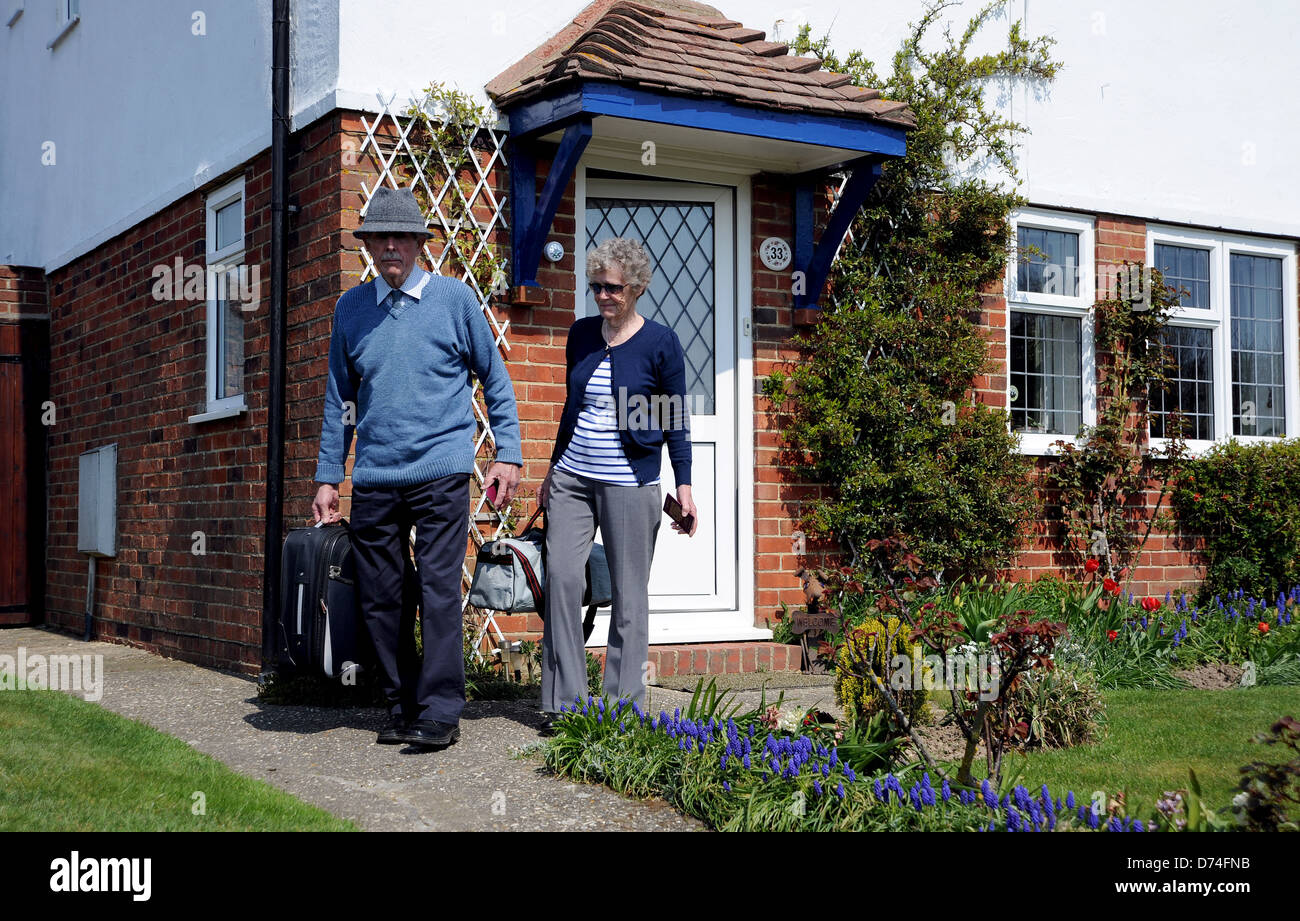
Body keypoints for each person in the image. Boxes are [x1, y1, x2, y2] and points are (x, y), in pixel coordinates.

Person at [312, 186, 522, 749]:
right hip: (376, 477)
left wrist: (508, 454)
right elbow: (340, 400)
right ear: (368, 246)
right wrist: (329, 476)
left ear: (419, 243)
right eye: (380, 237)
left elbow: (495, 379)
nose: (390, 248)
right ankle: (403, 705)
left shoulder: (454, 301)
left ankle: (441, 711)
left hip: (441, 471)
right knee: (382, 599)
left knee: (435, 591)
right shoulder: (351, 310)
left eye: (401, 237)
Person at [537, 236, 697, 718]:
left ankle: (620, 711)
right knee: (563, 583)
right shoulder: (581, 334)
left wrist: (684, 485)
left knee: (628, 599)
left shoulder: (660, 344)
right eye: (596, 287)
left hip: (630, 484)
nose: (604, 296)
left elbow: (675, 419)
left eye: (613, 288)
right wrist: (551, 471)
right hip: (572, 481)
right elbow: (571, 408)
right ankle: (563, 706)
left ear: (637, 288)